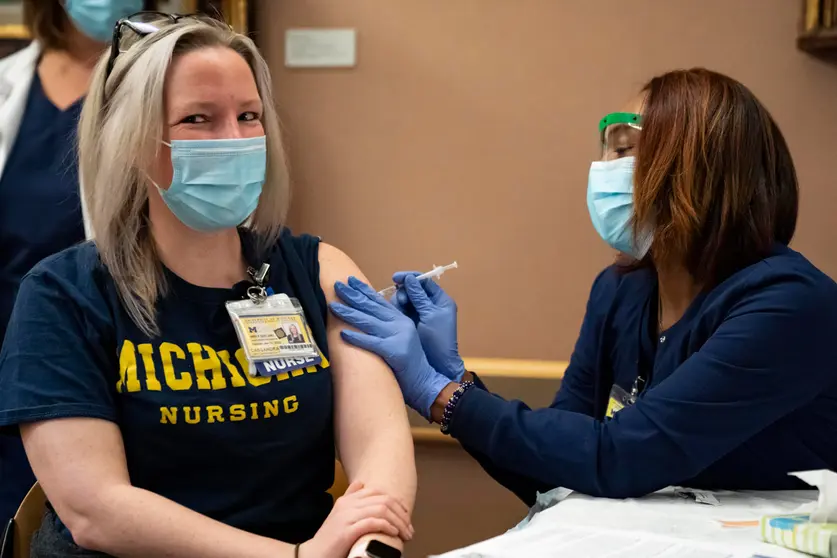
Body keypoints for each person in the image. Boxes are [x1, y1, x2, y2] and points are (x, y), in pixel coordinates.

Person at [0, 13, 415, 558]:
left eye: (249, 116)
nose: (235, 140)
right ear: (130, 141)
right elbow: (95, 510)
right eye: (198, 119)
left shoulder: (319, 270)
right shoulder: (62, 295)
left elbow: (380, 454)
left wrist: (366, 547)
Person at [330, 68, 837, 504]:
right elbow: (560, 465)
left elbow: (622, 456)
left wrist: (441, 395)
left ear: (702, 172)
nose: (605, 172)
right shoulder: (622, 291)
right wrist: (456, 379)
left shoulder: (788, 305)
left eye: (625, 152)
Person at [0, 0, 144, 528]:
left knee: (82, 514)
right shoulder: (9, 82)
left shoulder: (149, 81)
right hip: (4, 344)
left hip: (95, 350)